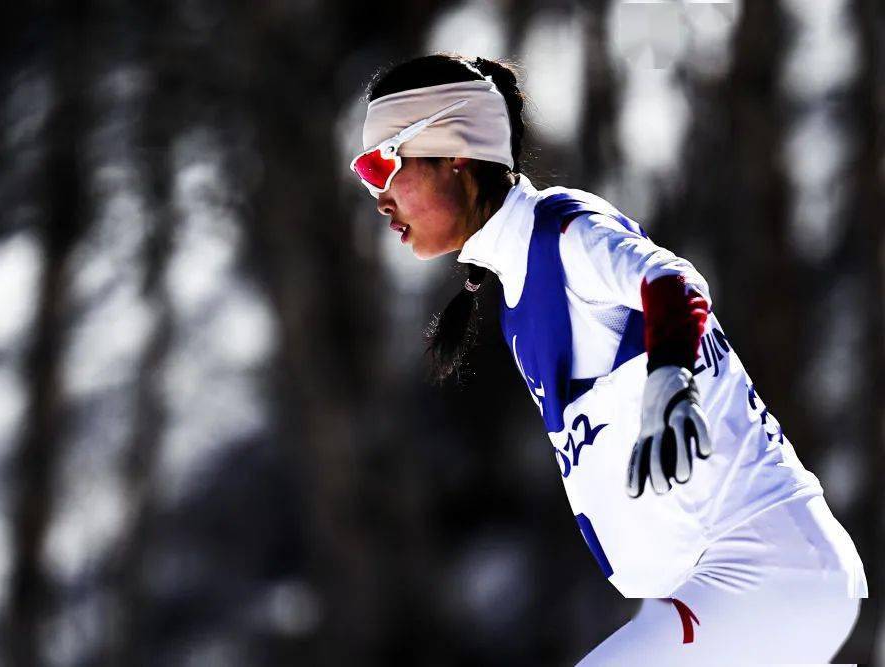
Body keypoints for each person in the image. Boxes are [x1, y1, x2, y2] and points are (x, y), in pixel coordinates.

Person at [348, 53, 869, 665]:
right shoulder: (516, 295)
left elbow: (673, 282)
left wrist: (671, 377)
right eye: (364, 173)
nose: (377, 194)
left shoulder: (561, 231)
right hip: (726, 590)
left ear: (457, 149)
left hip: (764, 572)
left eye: (384, 162)